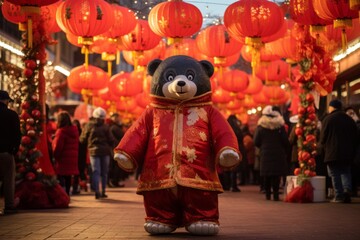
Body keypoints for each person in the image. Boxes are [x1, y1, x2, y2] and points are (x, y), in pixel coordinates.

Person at [319, 99, 357, 203]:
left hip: (332, 152)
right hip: (347, 152)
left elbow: (323, 138)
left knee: (335, 174)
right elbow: (355, 136)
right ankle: (347, 191)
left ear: (332, 107)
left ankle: (339, 196)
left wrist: (322, 148)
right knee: (345, 172)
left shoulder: (328, 119)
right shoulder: (349, 119)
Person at [254, 105, 290, 201]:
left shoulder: (261, 126)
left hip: (265, 153)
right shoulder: (280, 126)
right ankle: (276, 195)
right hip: (278, 153)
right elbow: (285, 141)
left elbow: (256, 141)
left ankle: (268, 195)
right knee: (276, 175)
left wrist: (263, 146)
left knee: (267, 174)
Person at [80, 107, 115, 199]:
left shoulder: (88, 125)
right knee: (104, 172)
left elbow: (82, 139)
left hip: (93, 152)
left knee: (95, 172)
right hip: (105, 152)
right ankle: (103, 191)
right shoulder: (106, 127)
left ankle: (96, 191)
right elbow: (111, 140)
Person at [0, 90, 20, 214]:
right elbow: (17, 135)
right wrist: (14, 149)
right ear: (6, 101)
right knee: (8, 179)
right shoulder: (12, 115)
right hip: (6, 152)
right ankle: (9, 205)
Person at [52, 111, 79, 196]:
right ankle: (67, 193)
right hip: (72, 158)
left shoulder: (61, 132)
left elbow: (58, 147)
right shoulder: (75, 131)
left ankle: (62, 195)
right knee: (68, 176)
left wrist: (55, 156)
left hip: (62, 158)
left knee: (60, 176)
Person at [107, 113, 127, 188]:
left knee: (116, 166)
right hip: (114, 148)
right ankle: (112, 181)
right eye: (115, 117)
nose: (118, 119)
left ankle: (114, 181)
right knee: (114, 166)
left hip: (116, 148)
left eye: (118, 117)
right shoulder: (113, 128)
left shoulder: (115, 127)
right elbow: (120, 136)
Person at [345, 106, 360, 197]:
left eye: (352, 113)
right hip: (351, 153)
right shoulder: (347, 125)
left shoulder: (357, 124)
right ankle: (352, 190)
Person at [72, 119, 89, 194]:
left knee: (77, 172)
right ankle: (82, 186)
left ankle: (77, 187)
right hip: (81, 155)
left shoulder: (73, 132)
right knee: (80, 171)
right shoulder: (82, 132)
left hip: (77, 155)